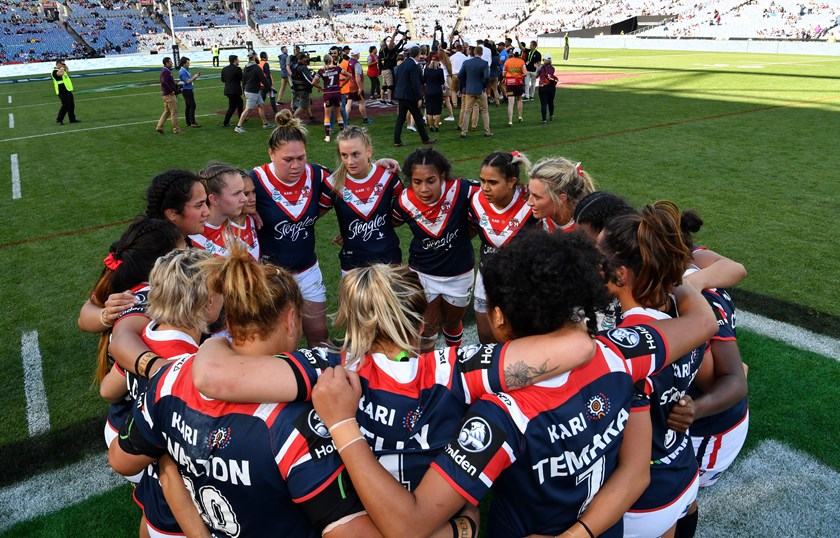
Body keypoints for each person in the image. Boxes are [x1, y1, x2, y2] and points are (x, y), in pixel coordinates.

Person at [309, 230, 718, 538]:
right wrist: (679, 275)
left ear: (500, 318)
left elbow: (411, 523)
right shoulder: (622, 354)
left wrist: (344, 422)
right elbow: (702, 323)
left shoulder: (498, 411)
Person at [109, 243, 379, 538]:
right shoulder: (298, 419)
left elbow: (121, 460)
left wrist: (172, 453)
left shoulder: (168, 379)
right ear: (291, 319)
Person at [598, 201, 705, 538]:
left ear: (621, 274)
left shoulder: (624, 346)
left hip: (642, 499)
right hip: (683, 470)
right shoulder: (687, 313)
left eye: (597, 258)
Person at [101, 248, 219, 538]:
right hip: (176, 497)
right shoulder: (190, 369)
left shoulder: (146, 333)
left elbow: (109, 389)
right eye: (222, 290)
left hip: (142, 451)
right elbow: (175, 473)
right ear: (206, 303)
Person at [248, 110, 330, 346]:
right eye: (288, 159)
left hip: (308, 269)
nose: (296, 166)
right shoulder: (253, 180)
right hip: (270, 276)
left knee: (319, 333)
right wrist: (243, 206)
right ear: (271, 153)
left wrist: (380, 165)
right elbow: (220, 195)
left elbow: (353, 183)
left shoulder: (316, 174)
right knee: (282, 342)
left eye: (301, 157)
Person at [392, 147, 478, 351]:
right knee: (426, 328)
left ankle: (453, 360)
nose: (424, 189)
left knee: (452, 323)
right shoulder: (404, 202)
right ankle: (429, 373)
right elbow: (386, 222)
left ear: (442, 177)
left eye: (431, 181)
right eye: (417, 182)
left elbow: (495, 190)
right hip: (423, 273)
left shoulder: (462, 190)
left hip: (459, 273)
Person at [469, 151, 538, 343]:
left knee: (517, 339)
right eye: (482, 180)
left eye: (493, 182)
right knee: (486, 338)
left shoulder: (531, 202)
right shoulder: (475, 200)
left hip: (521, 280)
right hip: (486, 277)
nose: (485, 187)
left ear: (511, 181)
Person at [321, 127, 403, 272]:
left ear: (369, 151)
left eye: (355, 154)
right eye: (344, 155)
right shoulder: (332, 184)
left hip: (389, 262)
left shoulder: (388, 177)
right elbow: (308, 215)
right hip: (353, 265)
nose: (350, 161)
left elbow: (405, 212)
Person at [188, 163, 248, 257]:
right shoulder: (194, 242)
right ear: (214, 199)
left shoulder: (228, 222)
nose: (245, 199)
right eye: (236, 193)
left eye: (243, 192)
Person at [527, 157, 595, 233]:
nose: (529, 202)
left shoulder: (583, 233)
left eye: (537, 197)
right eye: (529, 193)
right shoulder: (544, 212)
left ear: (561, 199)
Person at [145, 169, 210, 246]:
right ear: (172, 213)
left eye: (205, 202)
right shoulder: (157, 254)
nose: (207, 212)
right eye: (199, 205)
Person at [393, 46, 437, 147]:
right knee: (418, 117)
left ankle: (397, 140)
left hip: (401, 94)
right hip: (410, 96)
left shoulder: (403, 64)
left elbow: (398, 79)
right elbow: (415, 83)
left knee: (401, 118)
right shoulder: (414, 66)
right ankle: (425, 138)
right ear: (418, 55)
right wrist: (419, 97)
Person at [312, 53, 351, 143]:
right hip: (337, 93)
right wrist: (341, 85)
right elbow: (349, 76)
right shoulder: (337, 68)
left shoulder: (321, 70)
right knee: (338, 114)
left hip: (327, 93)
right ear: (331, 59)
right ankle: (342, 135)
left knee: (327, 116)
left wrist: (321, 88)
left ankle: (327, 136)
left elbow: (313, 82)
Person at [234, 51, 274, 134]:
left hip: (249, 90)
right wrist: (269, 89)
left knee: (261, 105)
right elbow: (263, 79)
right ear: (254, 56)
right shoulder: (256, 67)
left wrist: (243, 90)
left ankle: (265, 123)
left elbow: (243, 80)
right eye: (256, 55)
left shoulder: (246, 67)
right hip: (252, 91)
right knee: (248, 109)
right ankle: (238, 126)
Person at [457, 45, 492, 139]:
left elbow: (460, 75)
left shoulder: (467, 62)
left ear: (474, 52)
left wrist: (465, 84)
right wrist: (484, 86)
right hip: (480, 89)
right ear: (481, 53)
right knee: (484, 111)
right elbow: (487, 77)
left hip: (469, 89)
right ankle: (487, 131)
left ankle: (464, 131)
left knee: (467, 111)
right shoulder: (484, 63)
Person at [229, 171, 261, 261]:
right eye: (246, 194)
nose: (253, 199)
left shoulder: (251, 218)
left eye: (253, 192)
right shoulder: (223, 231)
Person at [342, 50, 375, 126]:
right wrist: (360, 87)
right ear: (357, 55)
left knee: (349, 102)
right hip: (355, 86)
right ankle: (365, 119)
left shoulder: (348, 62)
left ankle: (345, 120)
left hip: (349, 85)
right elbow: (357, 76)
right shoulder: (356, 64)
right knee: (361, 101)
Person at [291, 51, 320, 124]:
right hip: (303, 89)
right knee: (303, 105)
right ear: (302, 58)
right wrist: (319, 86)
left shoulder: (294, 65)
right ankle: (293, 118)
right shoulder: (302, 67)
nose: (306, 59)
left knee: (306, 103)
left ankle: (311, 117)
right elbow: (309, 79)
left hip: (296, 88)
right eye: (305, 58)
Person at [155, 57, 180, 134]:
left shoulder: (166, 71)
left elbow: (167, 82)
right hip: (169, 95)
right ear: (166, 63)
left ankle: (159, 126)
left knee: (167, 111)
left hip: (165, 95)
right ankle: (176, 129)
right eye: (170, 62)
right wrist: (171, 90)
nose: (172, 63)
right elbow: (164, 83)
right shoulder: (166, 72)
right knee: (174, 112)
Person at [422, 54, 445, 132]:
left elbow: (424, 81)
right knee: (437, 110)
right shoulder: (440, 71)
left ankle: (431, 126)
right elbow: (442, 81)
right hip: (437, 91)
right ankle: (437, 125)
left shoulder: (426, 70)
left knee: (429, 110)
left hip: (428, 91)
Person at [503, 48, 526, 126]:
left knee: (510, 103)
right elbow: (525, 73)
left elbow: (504, 73)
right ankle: (520, 116)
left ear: (512, 53)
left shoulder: (507, 61)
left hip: (509, 83)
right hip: (518, 83)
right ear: (519, 54)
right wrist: (519, 75)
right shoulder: (522, 62)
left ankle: (510, 121)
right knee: (519, 99)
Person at [52, 59, 79, 125]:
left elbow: (67, 69)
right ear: (58, 64)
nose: (63, 65)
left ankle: (72, 119)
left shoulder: (63, 69)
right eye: (62, 64)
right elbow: (60, 74)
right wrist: (61, 67)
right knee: (65, 105)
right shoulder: (54, 71)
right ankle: (59, 120)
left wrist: (64, 65)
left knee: (71, 105)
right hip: (61, 91)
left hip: (67, 89)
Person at [220, 54, 243, 128]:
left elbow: (223, 80)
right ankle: (226, 122)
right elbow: (242, 78)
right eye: (238, 59)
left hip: (227, 90)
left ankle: (241, 118)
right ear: (235, 61)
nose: (238, 61)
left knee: (238, 103)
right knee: (234, 106)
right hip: (235, 91)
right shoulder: (237, 69)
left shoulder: (224, 69)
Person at [178, 57, 201, 128]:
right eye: (188, 63)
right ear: (184, 64)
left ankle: (188, 122)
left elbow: (189, 80)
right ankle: (192, 122)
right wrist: (195, 76)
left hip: (188, 90)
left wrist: (195, 77)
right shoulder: (182, 71)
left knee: (188, 106)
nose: (189, 64)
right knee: (192, 106)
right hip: (187, 90)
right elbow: (187, 81)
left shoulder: (185, 70)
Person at [536, 54, 558, 123]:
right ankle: (551, 115)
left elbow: (536, 76)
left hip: (543, 87)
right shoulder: (553, 68)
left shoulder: (540, 68)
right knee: (551, 102)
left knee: (543, 104)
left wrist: (537, 68)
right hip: (551, 87)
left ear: (544, 60)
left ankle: (544, 119)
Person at [258, 51, 279, 115]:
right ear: (264, 56)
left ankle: (262, 112)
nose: (267, 56)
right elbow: (267, 75)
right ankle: (276, 112)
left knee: (262, 99)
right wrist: (270, 86)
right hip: (267, 84)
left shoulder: (258, 63)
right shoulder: (265, 64)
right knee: (272, 97)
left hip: (261, 84)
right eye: (267, 55)